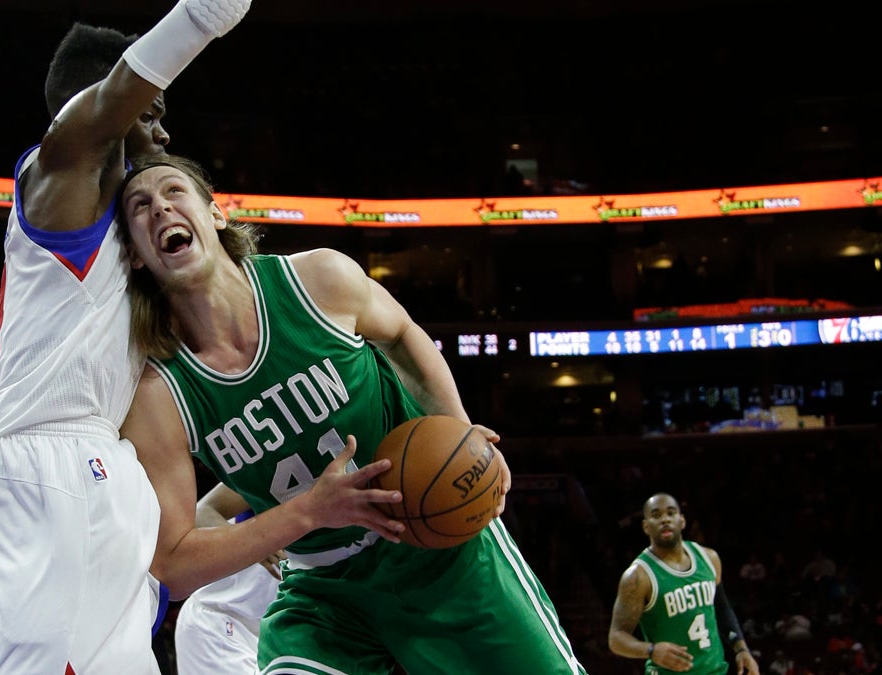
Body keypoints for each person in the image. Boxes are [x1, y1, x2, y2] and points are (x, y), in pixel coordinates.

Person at [117, 153, 588, 674]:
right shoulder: (157, 393)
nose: (159, 208)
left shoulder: (319, 280)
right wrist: (308, 513)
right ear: (135, 256)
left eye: (173, 192)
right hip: (325, 589)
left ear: (216, 214)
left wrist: (460, 431)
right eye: (140, 206)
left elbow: (404, 334)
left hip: (440, 553)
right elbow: (174, 565)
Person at [0, 0, 251, 673]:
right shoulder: (61, 177)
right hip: (46, 460)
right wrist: (205, 15)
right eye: (152, 114)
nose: (165, 135)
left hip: (96, 463)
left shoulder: (130, 251)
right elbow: (109, 101)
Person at [608, 492, 761, 675]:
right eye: (656, 515)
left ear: (682, 520)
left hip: (715, 671)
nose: (665, 519)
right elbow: (616, 638)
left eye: (671, 513)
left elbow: (722, 609)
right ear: (646, 526)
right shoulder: (638, 576)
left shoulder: (709, 558)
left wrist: (741, 649)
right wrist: (651, 650)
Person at [173, 483, 282, 675]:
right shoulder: (277, 463)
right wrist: (253, 542)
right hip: (221, 623)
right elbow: (201, 512)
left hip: (276, 639)